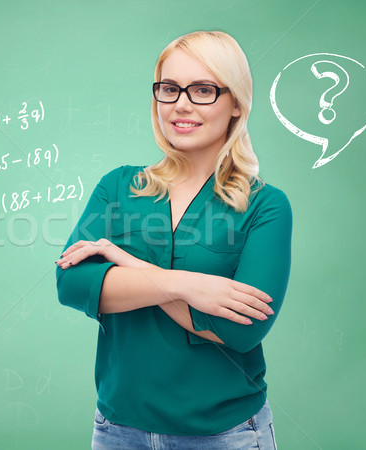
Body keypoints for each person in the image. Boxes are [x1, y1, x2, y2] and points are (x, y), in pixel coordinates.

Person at [55, 30, 292, 449]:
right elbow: (72, 284)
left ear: (236, 103)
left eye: (203, 89)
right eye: (169, 88)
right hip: (117, 432)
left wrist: (125, 264)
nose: (181, 104)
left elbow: (240, 331)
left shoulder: (265, 206)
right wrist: (189, 285)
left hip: (225, 435)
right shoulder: (119, 186)